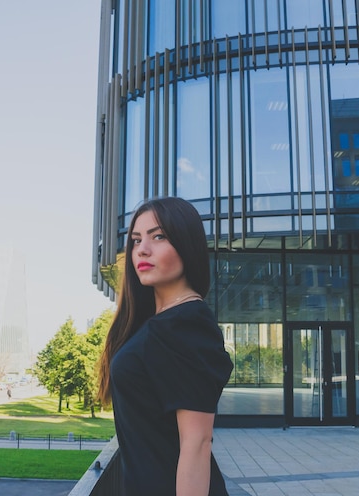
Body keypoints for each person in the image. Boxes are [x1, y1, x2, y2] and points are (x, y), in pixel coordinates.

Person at [98, 197, 234, 496]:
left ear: (187, 245)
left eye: (158, 236)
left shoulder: (186, 323)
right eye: (136, 240)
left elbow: (197, 442)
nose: (142, 249)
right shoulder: (156, 322)